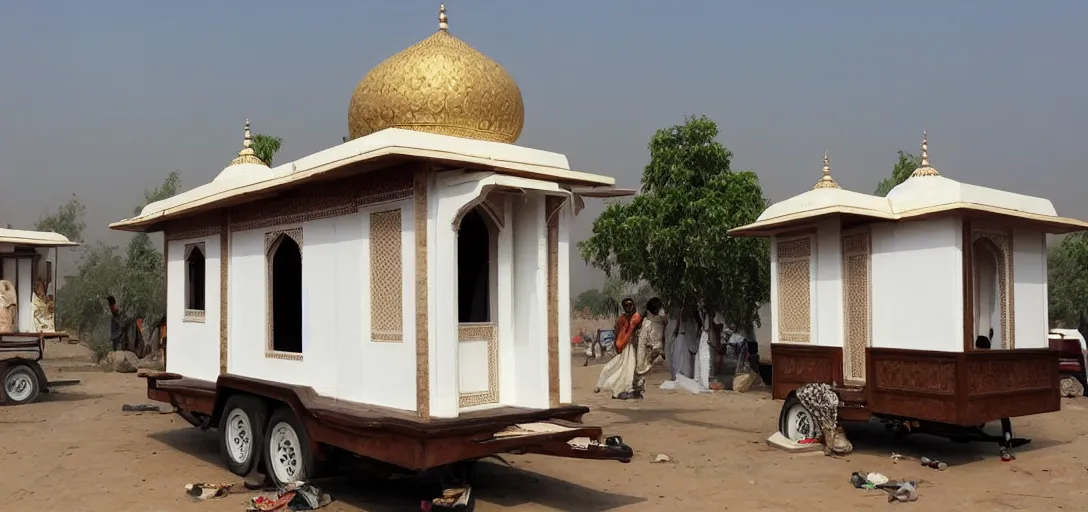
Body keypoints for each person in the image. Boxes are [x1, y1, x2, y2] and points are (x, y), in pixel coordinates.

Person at [594, 298, 643, 399]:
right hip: (624, 346)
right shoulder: (622, 319)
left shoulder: (637, 317)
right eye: (626, 305)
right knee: (614, 366)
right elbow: (618, 332)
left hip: (634, 346)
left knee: (630, 368)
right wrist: (618, 344)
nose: (629, 307)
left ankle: (627, 389)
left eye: (630, 304)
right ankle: (602, 384)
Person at [634, 297, 667, 391]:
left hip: (656, 356)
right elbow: (642, 345)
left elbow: (641, 345)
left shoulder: (652, 323)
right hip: (658, 355)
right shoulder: (655, 322)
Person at [671, 305, 703, 379]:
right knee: (682, 363)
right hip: (683, 340)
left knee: (686, 364)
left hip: (688, 341)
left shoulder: (694, 320)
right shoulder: (684, 317)